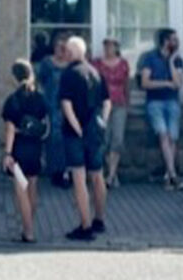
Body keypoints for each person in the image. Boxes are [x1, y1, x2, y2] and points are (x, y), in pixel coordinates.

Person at [59, 36, 110, 241]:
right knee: (98, 175)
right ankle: (99, 219)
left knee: (79, 178)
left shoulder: (69, 74)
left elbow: (66, 105)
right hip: (94, 129)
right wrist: (102, 123)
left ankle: (85, 225)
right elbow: (107, 102)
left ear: (71, 53)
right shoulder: (96, 72)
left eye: (66, 50)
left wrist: (76, 127)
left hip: (76, 132)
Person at [1, 59, 49, 243]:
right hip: (35, 148)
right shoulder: (40, 97)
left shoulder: (12, 100)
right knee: (32, 188)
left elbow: (10, 129)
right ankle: (28, 226)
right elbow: (45, 123)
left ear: (14, 78)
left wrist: (7, 154)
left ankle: (28, 232)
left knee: (21, 191)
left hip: (18, 150)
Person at [139, 27, 183, 189]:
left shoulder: (177, 59)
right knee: (163, 135)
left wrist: (171, 61)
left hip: (172, 101)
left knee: (172, 138)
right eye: (173, 39)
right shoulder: (150, 58)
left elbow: (178, 83)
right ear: (165, 41)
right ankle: (172, 174)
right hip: (155, 102)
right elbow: (145, 82)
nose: (176, 42)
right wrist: (165, 83)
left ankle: (169, 175)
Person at [92, 38, 130, 188]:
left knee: (118, 138)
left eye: (110, 46)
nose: (107, 49)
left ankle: (112, 175)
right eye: (105, 46)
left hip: (119, 102)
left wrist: (128, 102)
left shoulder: (123, 64)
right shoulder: (97, 63)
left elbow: (126, 83)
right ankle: (105, 172)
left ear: (116, 48)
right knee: (104, 138)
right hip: (102, 103)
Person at [35, 31, 71, 188]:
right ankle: (55, 171)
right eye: (58, 46)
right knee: (54, 139)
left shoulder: (71, 64)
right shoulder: (47, 63)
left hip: (69, 106)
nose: (60, 50)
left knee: (68, 139)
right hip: (51, 105)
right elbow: (41, 80)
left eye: (64, 47)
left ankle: (66, 172)